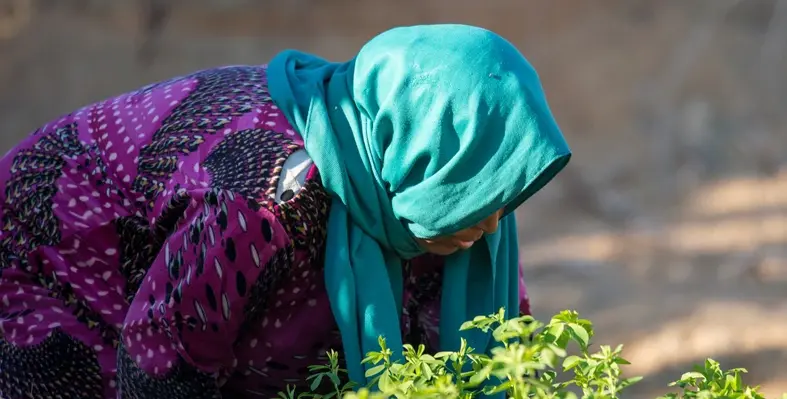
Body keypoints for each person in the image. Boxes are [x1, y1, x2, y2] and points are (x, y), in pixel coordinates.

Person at [0, 24, 570, 398]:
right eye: (474, 197)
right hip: (48, 268)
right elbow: (162, 360)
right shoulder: (267, 190)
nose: (494, 222)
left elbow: (501, 361)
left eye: (502, 198)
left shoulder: (461, 194)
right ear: (413, 151)